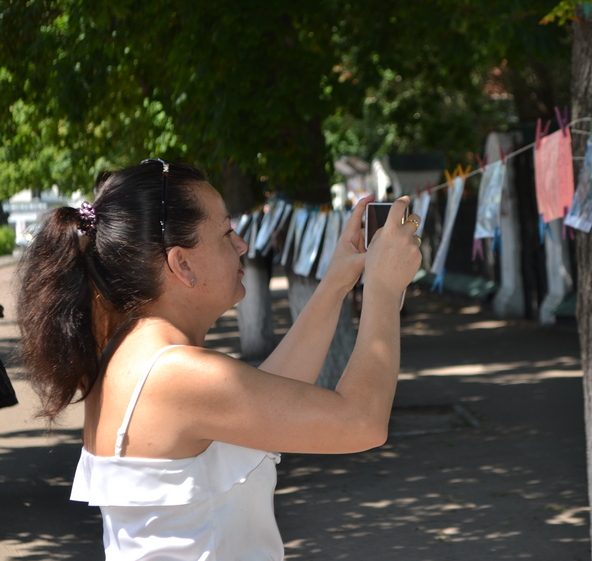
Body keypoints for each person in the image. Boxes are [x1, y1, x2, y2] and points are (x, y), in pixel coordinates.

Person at [15, 159, 422, 560]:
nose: (242, 244)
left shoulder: (135, 356)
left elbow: (269, 399)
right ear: (182, 263)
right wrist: (384, 289)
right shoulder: (174, 374)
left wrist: (337, 279)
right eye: (227, 232)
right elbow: (361, 421)